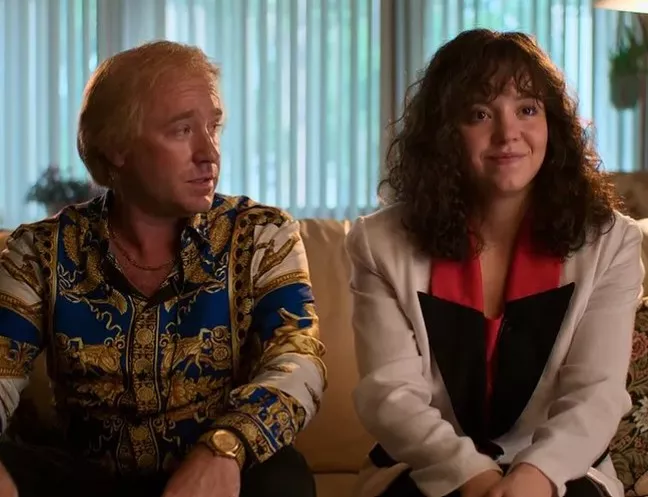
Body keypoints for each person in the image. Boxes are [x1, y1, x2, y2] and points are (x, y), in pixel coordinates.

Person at [0, 40, 326, 497]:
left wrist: (226, 446)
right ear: (117, 146)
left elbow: (299, 358)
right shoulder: (40, 250)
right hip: (89, 481)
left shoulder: (261, 234)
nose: (209, 153)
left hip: (217, 474)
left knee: (284, 476)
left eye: (214, 127)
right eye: (182, 130)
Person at [346, 29, 643, 497]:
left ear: (552, 124)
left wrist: (533, 476)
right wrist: (477, 477)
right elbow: (392, 396)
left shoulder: (612, 242)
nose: (508, 134)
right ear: (445, 133)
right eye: (480, 114)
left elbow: (596, 394)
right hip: (429, 468)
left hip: (561, 469)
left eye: (527, 110)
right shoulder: (379, 243)